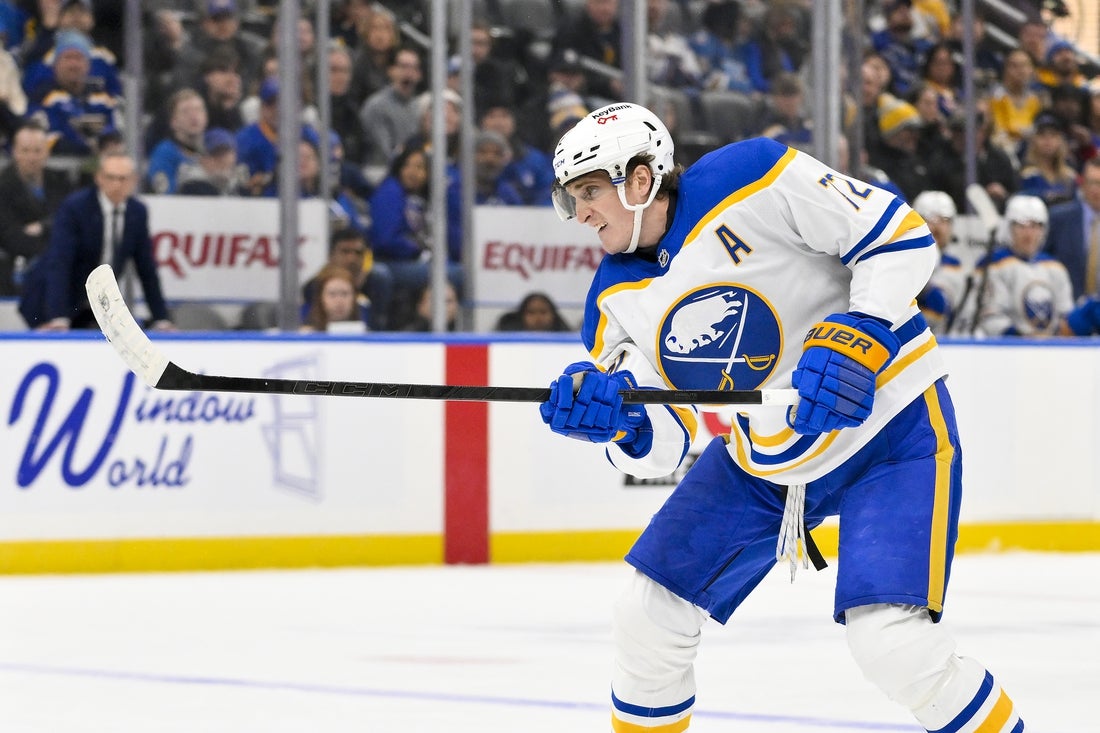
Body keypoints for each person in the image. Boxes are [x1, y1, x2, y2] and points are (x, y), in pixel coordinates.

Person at [538, 102, 1025, 731]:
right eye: (570, 199)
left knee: (892, 644)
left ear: (639, 179)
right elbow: (666, 440)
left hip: (890, 430)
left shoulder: (750, 175)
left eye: (589, 192)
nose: (579, 214)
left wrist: (861, 331)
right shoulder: (610, 301)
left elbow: (898, 235)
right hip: (765, 461)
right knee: (646, 616)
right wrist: (622, 421)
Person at [18, 151, 173, 331]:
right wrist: (58, 316)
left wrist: (161, 318)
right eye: (111, 177)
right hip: (49, 301)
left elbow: (146, 268)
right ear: (99, 178)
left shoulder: (137, 212)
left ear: (133, 181)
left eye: (123, 179)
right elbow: (60, 262)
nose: (117, 184)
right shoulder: (75, 208)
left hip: (95, 306)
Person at [976, 194, 1081, 337]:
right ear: (1009, 228)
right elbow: (991, 316)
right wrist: (1021, 339)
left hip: (1052, 347)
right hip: (1006, 347)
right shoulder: (994, 264)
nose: (1028, 234)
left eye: (1035, 226)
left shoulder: (1055, 268)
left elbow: (1065, 314)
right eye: (1021, 226)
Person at [0, 123, 75, 295]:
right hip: (15, 272)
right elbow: (10, 235)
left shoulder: (61, 182)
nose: (32, 157)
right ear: (15, 152)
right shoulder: (3, 187)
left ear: (47, 152)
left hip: (61, 266)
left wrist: (43, 226)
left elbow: (72, 221)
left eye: (37, 151)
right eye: (25, 150)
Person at [912, 190, 967, 336]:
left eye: (944, 220)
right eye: (929, 219)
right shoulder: (898, 258)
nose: (936, 227)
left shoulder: (956, 265)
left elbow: (961, 315)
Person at [1046, 155, 1100, 301]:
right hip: (1067, 306)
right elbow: (1043, 261)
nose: (1095, 189)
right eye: (1091, 182)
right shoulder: (1059, 218)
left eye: (1099, 183)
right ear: (1082, 183)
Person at [300, 263, 370, 333]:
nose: (339, 301)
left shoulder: (367, 334)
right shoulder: (306, 335)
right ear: (320, 298)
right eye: (332, 294)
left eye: (344, 294)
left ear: (354, 297)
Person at [495, 291, 572, 332]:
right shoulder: (507, 340)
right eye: (531, 312)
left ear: (553, 315)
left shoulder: (567, 339)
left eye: (543, 312)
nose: (538, 318)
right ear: (522, 315)